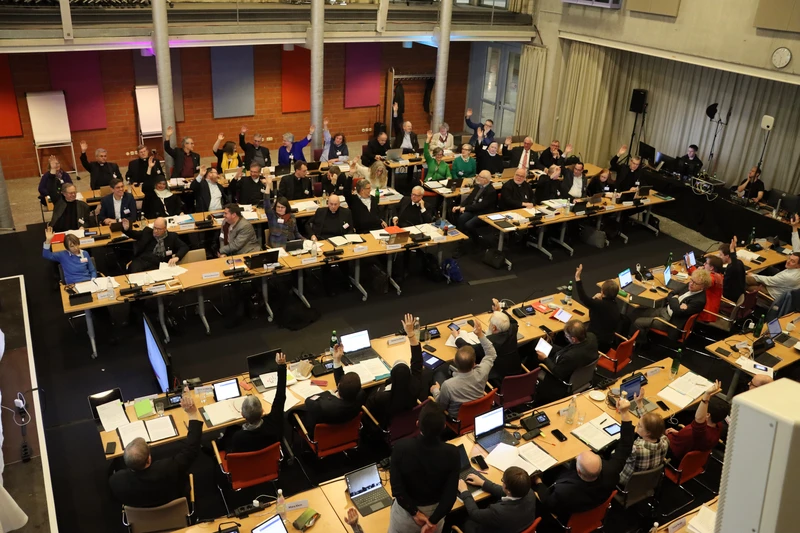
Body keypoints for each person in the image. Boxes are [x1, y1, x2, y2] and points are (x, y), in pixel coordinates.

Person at [533, 398, 634, 522]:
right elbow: (626, 446)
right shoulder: (611, 471)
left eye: (577, 459)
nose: (576, 457)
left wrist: (538, 482)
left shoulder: (564, 491)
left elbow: (548, 502)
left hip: (567, 516)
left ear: (579, 471)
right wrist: (624, 412)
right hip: (594, 506)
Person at [109, 397, 202, 508]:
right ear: (149, 459)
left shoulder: (116, 481)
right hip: (174, 508)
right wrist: (192, 414)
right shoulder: (168, 468)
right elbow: (191, 451)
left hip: (141, 517)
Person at [388, 402, 459, 533]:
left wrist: (415, 513)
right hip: (436, 516)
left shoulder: (401, 448)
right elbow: (450, 497)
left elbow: (398, 490)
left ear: (417, 424)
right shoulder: (452, 453)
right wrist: (432, 521)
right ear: (444, 426)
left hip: (406, 516)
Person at [365, 314, 426, 428]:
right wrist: (411, 334)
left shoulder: (380, 397)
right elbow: (417, 362)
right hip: (408, 426)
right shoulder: (416, 387)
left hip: (386, 427)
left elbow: (369, 409)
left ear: (392, 376)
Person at [291, 343, 363, 438]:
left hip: (322, 439)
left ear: (339, 386)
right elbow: (344, 385)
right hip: (346, 436)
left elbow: (309, 400)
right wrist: (337, 360)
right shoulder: (360, 396)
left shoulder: (321, 406)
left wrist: (329, 392)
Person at [221, 352, 287, 453]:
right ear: (262, 411)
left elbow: (234, 455)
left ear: (242, 415)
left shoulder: (238, 437)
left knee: (230, 430)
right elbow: (280, 396)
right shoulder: (274, 421)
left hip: (250, 462)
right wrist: (281, 366)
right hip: (271, 458)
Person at [430, 320, 497, 419]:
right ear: (474, 364)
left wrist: (435, 391)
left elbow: (441, 406)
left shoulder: (448, 385)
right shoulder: (482, 372)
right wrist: (480, 335)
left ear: (454, 361)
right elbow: (491, 354)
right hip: (478, 415)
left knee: (438, 373)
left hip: (457, 420)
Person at [632, 269, 711, 344]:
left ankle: (641, 344)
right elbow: (671, 294)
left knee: (638, 322)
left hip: (671, 322)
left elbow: (677, 312)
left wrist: (675, 299)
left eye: (695, 283)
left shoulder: (699, 301)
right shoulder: (689, 285)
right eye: (691, 280)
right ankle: (635, 335)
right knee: (637, 311)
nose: (691, 283)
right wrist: (676, 302)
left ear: (702, 287)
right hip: (665, 310)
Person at [534, 320, 598, 405]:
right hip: (578, 365)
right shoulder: (592, 337)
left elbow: (557, 372)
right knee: (539, 343)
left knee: (535, 355)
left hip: (559, 378)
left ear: (573, 339)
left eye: (567, 336)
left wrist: (545, 359)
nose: (565, 336)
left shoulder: (570, 357)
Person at [457, 299, 521, 382]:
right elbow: (513, 321)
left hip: (500, 378)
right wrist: (499, 311)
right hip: (517, 372)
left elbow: (468, 350)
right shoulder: (513, 329)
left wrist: (457, 337)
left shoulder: (490, 342)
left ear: (494, 328)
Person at [458, 466, 536, 533]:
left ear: (508, 490)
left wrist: (464, 491)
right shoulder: (529, 492)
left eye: (503, 481)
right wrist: (482, 483)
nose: (502, 482)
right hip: (517, 526)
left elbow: (474, 513)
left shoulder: (497, 512)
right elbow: (503, 491)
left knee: (465, 520)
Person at [666, 380, 728, 462]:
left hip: (673, 454)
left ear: (707, 415)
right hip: (686, 446)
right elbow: (690, 439)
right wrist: (678, 434)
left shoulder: (698, 432)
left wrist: (666, 435)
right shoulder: (718, 426)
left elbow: (699, 419)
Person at [619, 390, 668, 486]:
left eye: (640, 426)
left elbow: (618, 456)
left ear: (648, 433)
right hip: (648, 481)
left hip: (626, 482)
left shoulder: (635, 449)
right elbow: (650, 423)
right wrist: (639, 403)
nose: (637, 426)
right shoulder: (665, 441)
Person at [574, 265, 621, 353]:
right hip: (607, 343)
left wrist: (577, 278)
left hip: (594, 344)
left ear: (602, 292)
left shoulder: (599, 304)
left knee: (574, 332)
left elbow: (583, 298)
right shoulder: (614, 305)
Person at [121, 217, 189, 272]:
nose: (155, 231)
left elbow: (184, 247)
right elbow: (135, 234)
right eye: (154, 228)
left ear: (165, 229)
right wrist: (127, 229)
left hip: (159, 264)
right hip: (142, 260)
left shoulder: (172, 237)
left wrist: (177, 257)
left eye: (159, 229)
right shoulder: (147, 232)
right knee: (135, 270)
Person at [452, 171, 497, 240]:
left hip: (483, 213)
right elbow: (469, 198)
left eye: (480, 177)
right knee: (462, 218)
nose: (477, 178)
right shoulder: (478, 186)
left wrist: (466, 208)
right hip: (473, 210)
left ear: (486, 180)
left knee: (468, 225)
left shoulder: (491, 191)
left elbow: (481, 206)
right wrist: (460, 206)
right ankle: (461, 238)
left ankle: (476, 239)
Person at [263, 180, 304, 249]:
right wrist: (268, 186)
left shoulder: (291, 216)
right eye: (278, 207)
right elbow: (266, 203)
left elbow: (296, 233)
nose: (280, 209)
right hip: (278, 246)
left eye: (282, 207)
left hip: (291, 245)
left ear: (286, 208)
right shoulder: (272, 216)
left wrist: (304, 240)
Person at [720, 235, 746, 302]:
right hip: (739, 294)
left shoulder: (733, 268)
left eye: (721, 255)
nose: (719, 257)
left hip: (729, 299)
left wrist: (732, 250)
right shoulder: (739, 262)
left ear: (727, 256)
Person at [699, 255, 724, 322]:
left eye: (706, 263)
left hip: (705, 312)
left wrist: (699, 272)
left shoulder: (712, 278)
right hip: (711, 310)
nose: (704, 264)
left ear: (711, 268)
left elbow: (699, 283)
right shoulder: (719, 276)